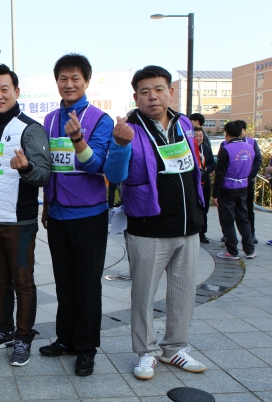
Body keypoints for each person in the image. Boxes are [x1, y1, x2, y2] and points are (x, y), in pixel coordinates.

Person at [104, 66, 207, 381]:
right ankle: (146, 351)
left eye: (159, 89)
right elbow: (115, 175)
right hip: (148, 227)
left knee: (183, 293)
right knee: (143, 296)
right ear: (136, 97)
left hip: (188, 226)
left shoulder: (184, 123)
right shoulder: (128, 129)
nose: (153, 97)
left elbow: (192, 169)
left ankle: (175, 347)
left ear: (170, 92)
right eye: (145, 92)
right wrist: (120, 145)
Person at [37, 54, 113, 376]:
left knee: (87, 285)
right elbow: (50, 166)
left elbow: (96, 166)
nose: (69, 84)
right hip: (57, 214)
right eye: (63, 79)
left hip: (89, 215)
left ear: (86, 81)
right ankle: (66, 339)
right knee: (65, 283)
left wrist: (78, 138)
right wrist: (46, 205)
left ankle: (86, 348)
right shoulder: (50, 119)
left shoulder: (100, 119)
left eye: (75, 78)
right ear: (56, 81)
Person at [0, 64, 51, 366]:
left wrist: (26, 168)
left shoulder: (30, 129)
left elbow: (44, 174)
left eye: (4, 89)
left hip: (19, 222)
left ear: (16, 92)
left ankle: (23, 336)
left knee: (22, 281)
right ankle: (3, 330)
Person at [213, 121, 256, 260]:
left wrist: (215, 194)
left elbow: (219, 173)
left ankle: (232, 251)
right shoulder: (250, 147)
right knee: (243, 219)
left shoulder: (226, 149)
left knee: (227, 220)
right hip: (243, 187)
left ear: (226, 133)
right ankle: (249, 250)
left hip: (227, 188)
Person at [194, 127, 216, 243]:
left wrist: (206, 168)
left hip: (204, 183)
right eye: (196, 136)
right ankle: (194, 232)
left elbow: (212, 163)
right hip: (193, 183)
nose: (198, 138)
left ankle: (202, 233)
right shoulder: (188, 148)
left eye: (200, 136)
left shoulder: (206, 148)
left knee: (204, 209)